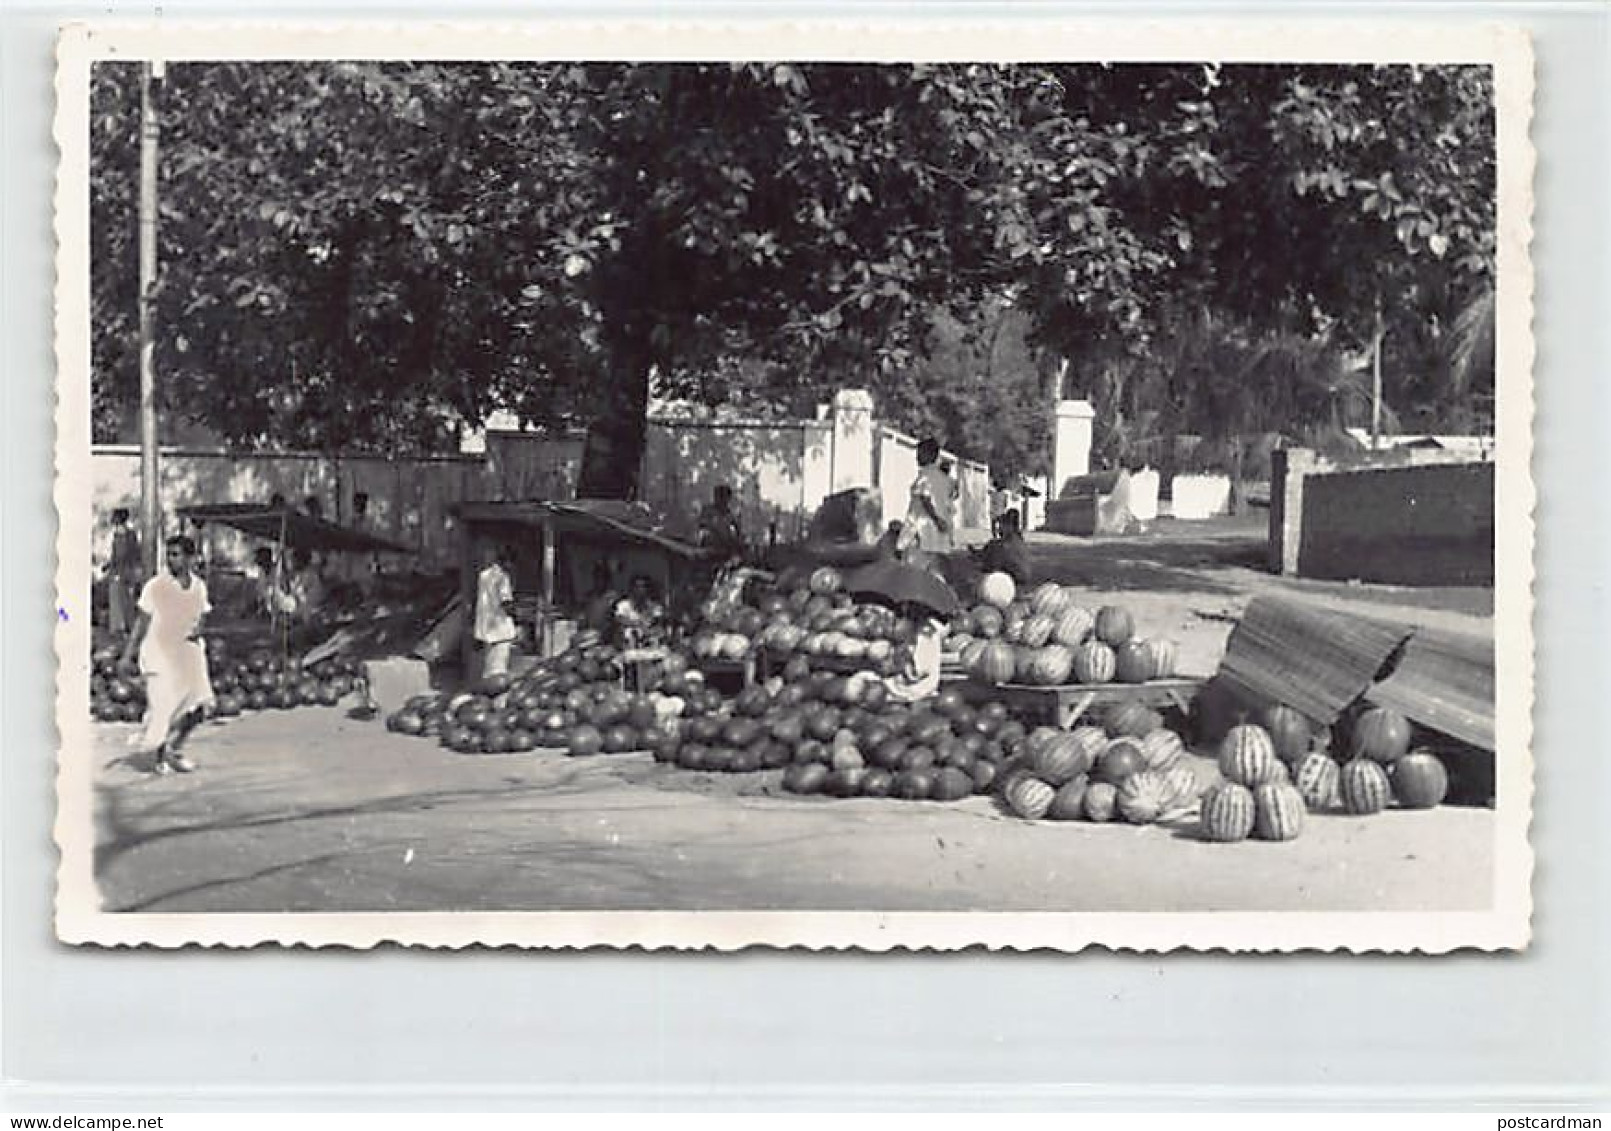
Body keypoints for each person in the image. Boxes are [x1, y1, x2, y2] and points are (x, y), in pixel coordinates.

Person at [119, 535, 214, 774]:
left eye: (177, 554)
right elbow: (141, 622)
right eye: (169, 555)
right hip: (159, 653)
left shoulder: (199, 587)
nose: (171, 560)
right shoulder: (156, 586)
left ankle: (176, 748)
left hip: (188, 654)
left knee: (200, 707)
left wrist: (199, 629)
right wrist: (127, 655)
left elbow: (202, 614)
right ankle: (161, 757)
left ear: (190, 558)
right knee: (164, 707)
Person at [883, 604, 948, 704]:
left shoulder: (928, 632)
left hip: (920, 687)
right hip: (904, 686)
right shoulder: (903, 628)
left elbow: (923, 669)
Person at [902, 438, 955, 556]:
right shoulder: (946, 480)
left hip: (922, 531)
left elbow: (925, 500)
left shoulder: (923, 478)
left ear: (931, 454)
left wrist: (937, 520)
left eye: (920, 453)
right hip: (940, 535)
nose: (917, 457)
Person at [473, 542, 518, 680]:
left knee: (488, 667)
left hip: (486, 630)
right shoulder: (503, 578)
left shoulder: (484, 575)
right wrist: (517, 615)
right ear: (507, 562)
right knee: (498, 671)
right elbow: (506, 603)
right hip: (500, 631)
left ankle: (484, 694)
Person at [104, 507, 142, 638]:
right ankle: (118, 628)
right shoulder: (117, 536)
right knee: (116, 598)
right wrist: (109, 565)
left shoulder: (130, 535)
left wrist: (133, 569)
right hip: (118, 572)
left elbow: (132, 554)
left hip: (127, 571)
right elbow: (115, 555)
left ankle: (128, 627)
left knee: (127, 600)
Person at [978, 507, 1033, 585]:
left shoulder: (1007, 544)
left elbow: (995, 564)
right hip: (1018, 576)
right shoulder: (1017, 539)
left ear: (1009, 526)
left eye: (1001, 525)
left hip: (1015, 578)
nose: (999, 529)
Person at [612, 575, 666, 649]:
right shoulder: (623, 605)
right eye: (637, 586)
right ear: (632, 588)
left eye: (643, 586)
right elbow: (620, 621)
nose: (640, 589)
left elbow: (658, 626)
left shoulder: (655, 607)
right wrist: (640, 624)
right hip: (626, 646)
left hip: (649, 647)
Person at [697, 484, 746, 560]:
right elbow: (702, 528)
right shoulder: (708, 511)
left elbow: (737, 534)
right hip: (708, 549)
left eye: (725, 498)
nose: (723, 501)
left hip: (725, 551)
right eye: (719, 497)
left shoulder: (730, 516)